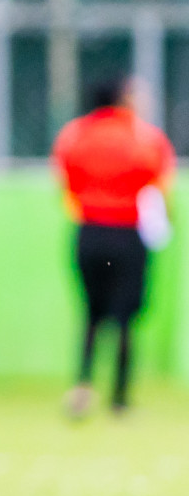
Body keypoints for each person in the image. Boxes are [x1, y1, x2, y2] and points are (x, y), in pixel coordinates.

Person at [53, 77, 175, 417]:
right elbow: (160, 184)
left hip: (89, 231)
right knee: (125, 318)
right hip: (127, 234)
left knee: (91, 313)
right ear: (124, 98)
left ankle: (82, 387)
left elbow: (65, 183)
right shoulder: (143, 136)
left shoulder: (75, 134)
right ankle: (120, 398)